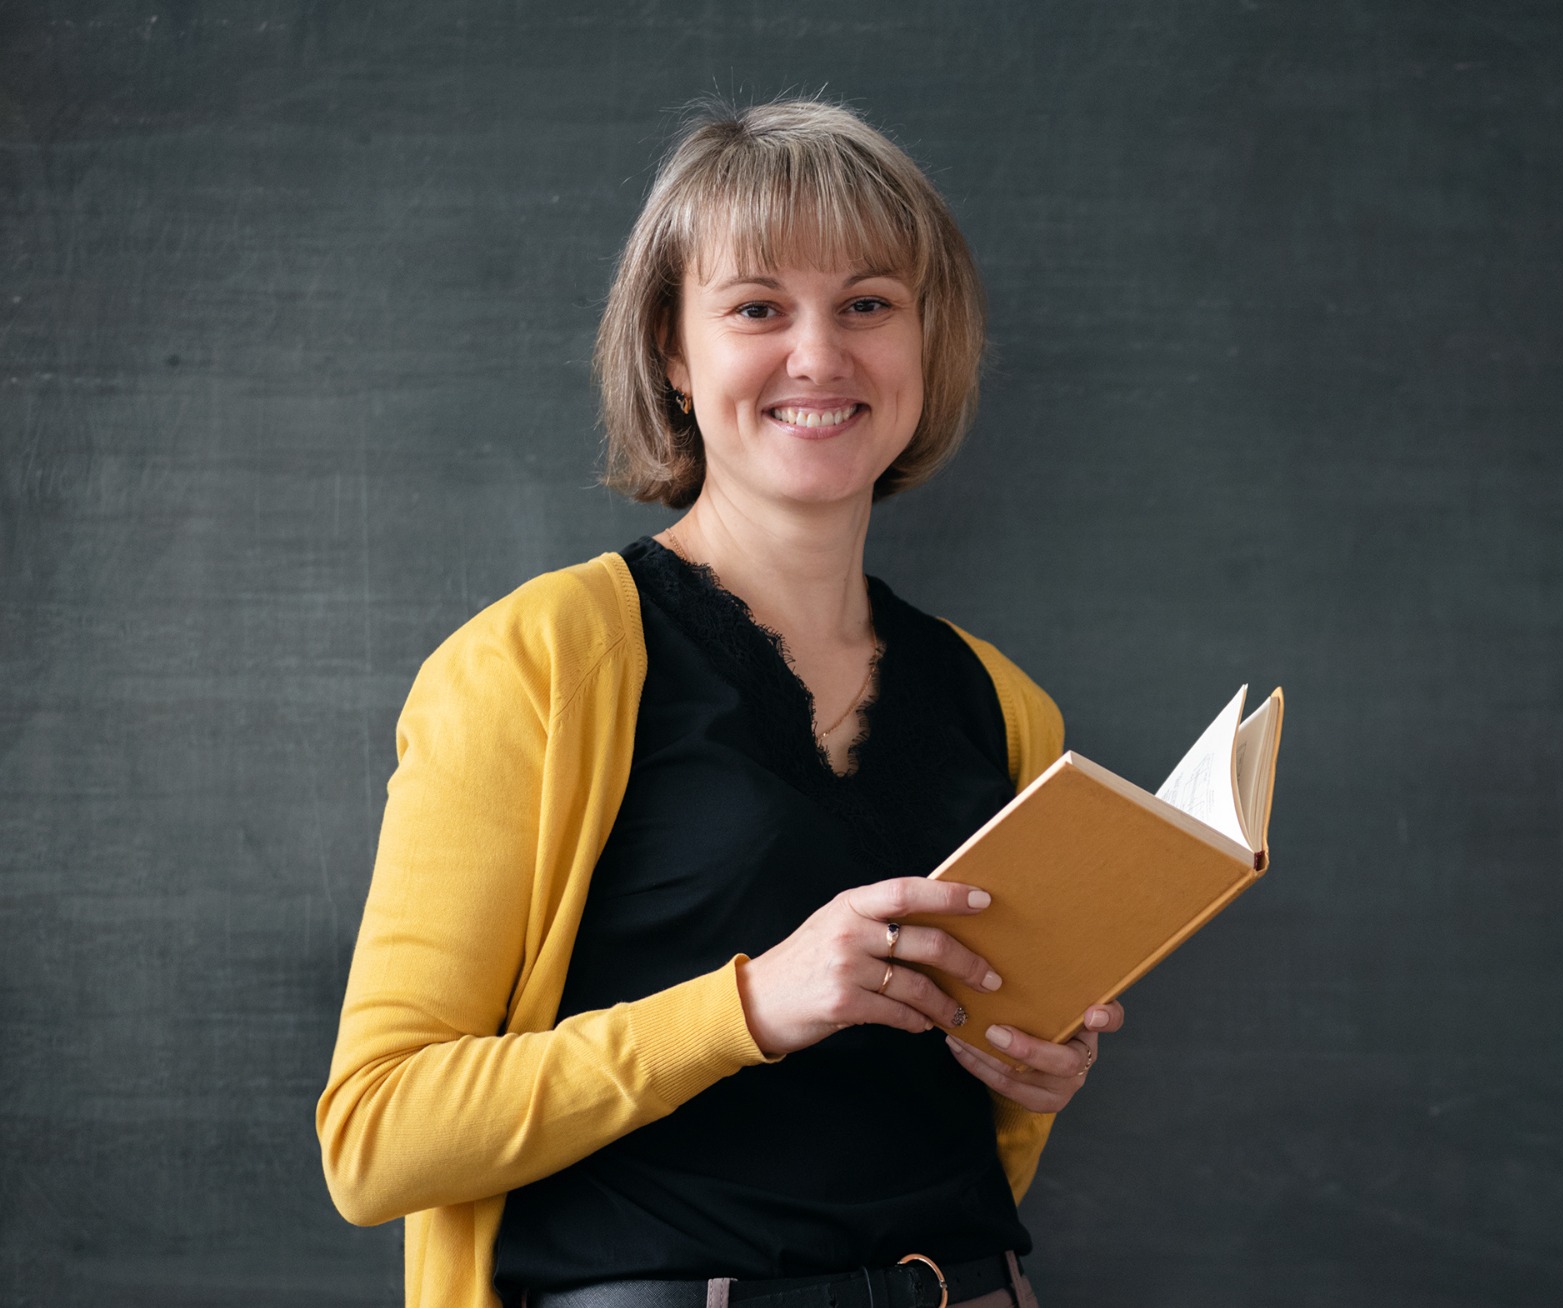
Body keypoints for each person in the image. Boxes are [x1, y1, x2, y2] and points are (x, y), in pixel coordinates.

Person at [316, 99, 1117, 1308]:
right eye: (756, 308)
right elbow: (376, 1140)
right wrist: (747, 1005)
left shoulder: (1007, 709)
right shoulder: (540, 662)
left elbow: (959, 1117)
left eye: (868, 304)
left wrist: (1030, 1070)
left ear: (923, 342)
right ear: (673, 355)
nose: (820, 355)